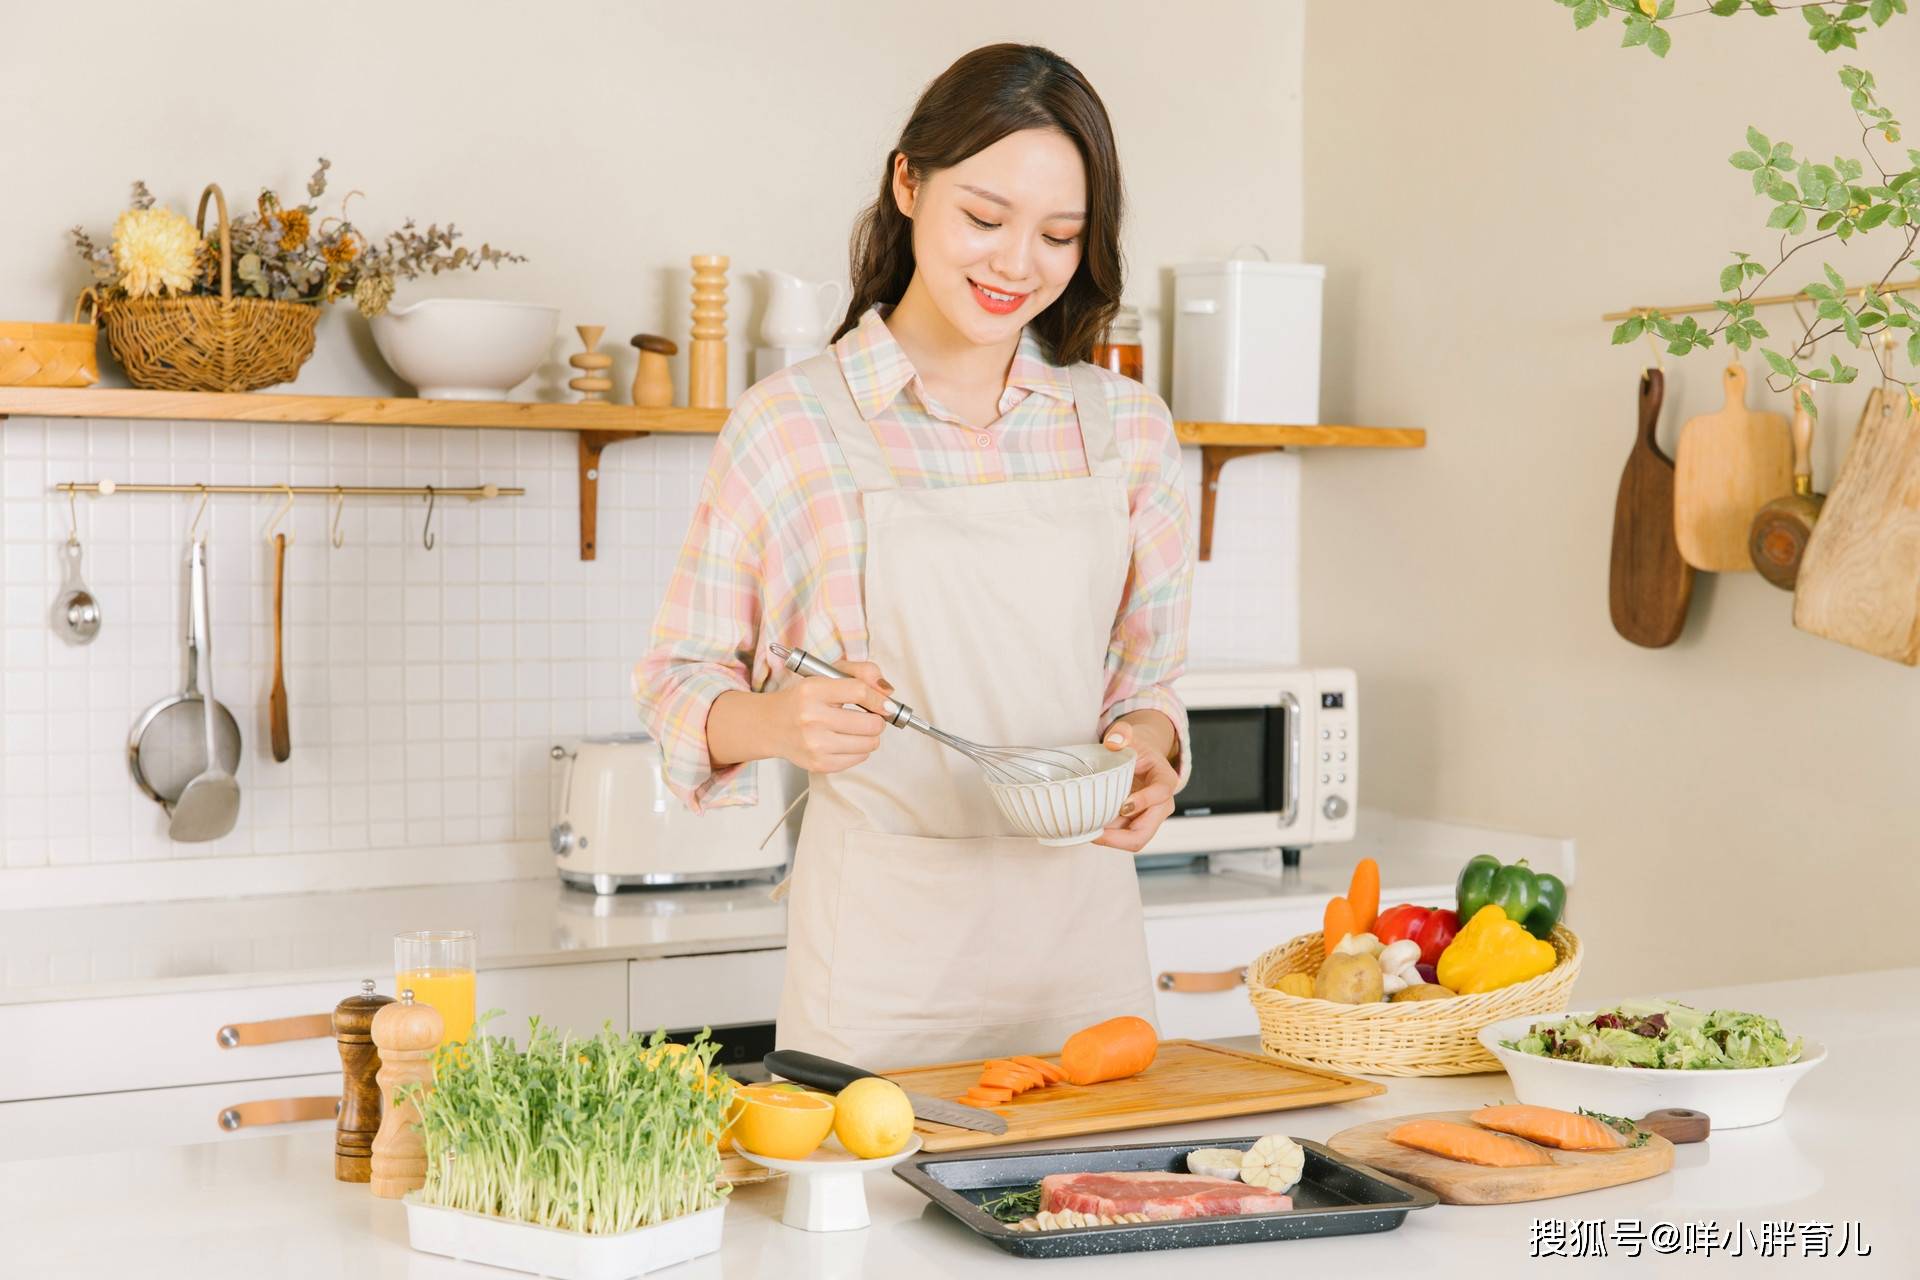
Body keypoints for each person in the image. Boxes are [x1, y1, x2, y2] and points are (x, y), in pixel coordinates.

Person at [636, 43, 1193, 1068]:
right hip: (884, 977)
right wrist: (775, 719)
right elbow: (674, 684)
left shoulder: (1129, 430)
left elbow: (1143, 682)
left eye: (1059, 234)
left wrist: (1150, 749)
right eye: (985, 218)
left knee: (1098, 1211)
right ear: (908, 182)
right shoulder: (789, 425)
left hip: (1086, 968)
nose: (1017, 263)